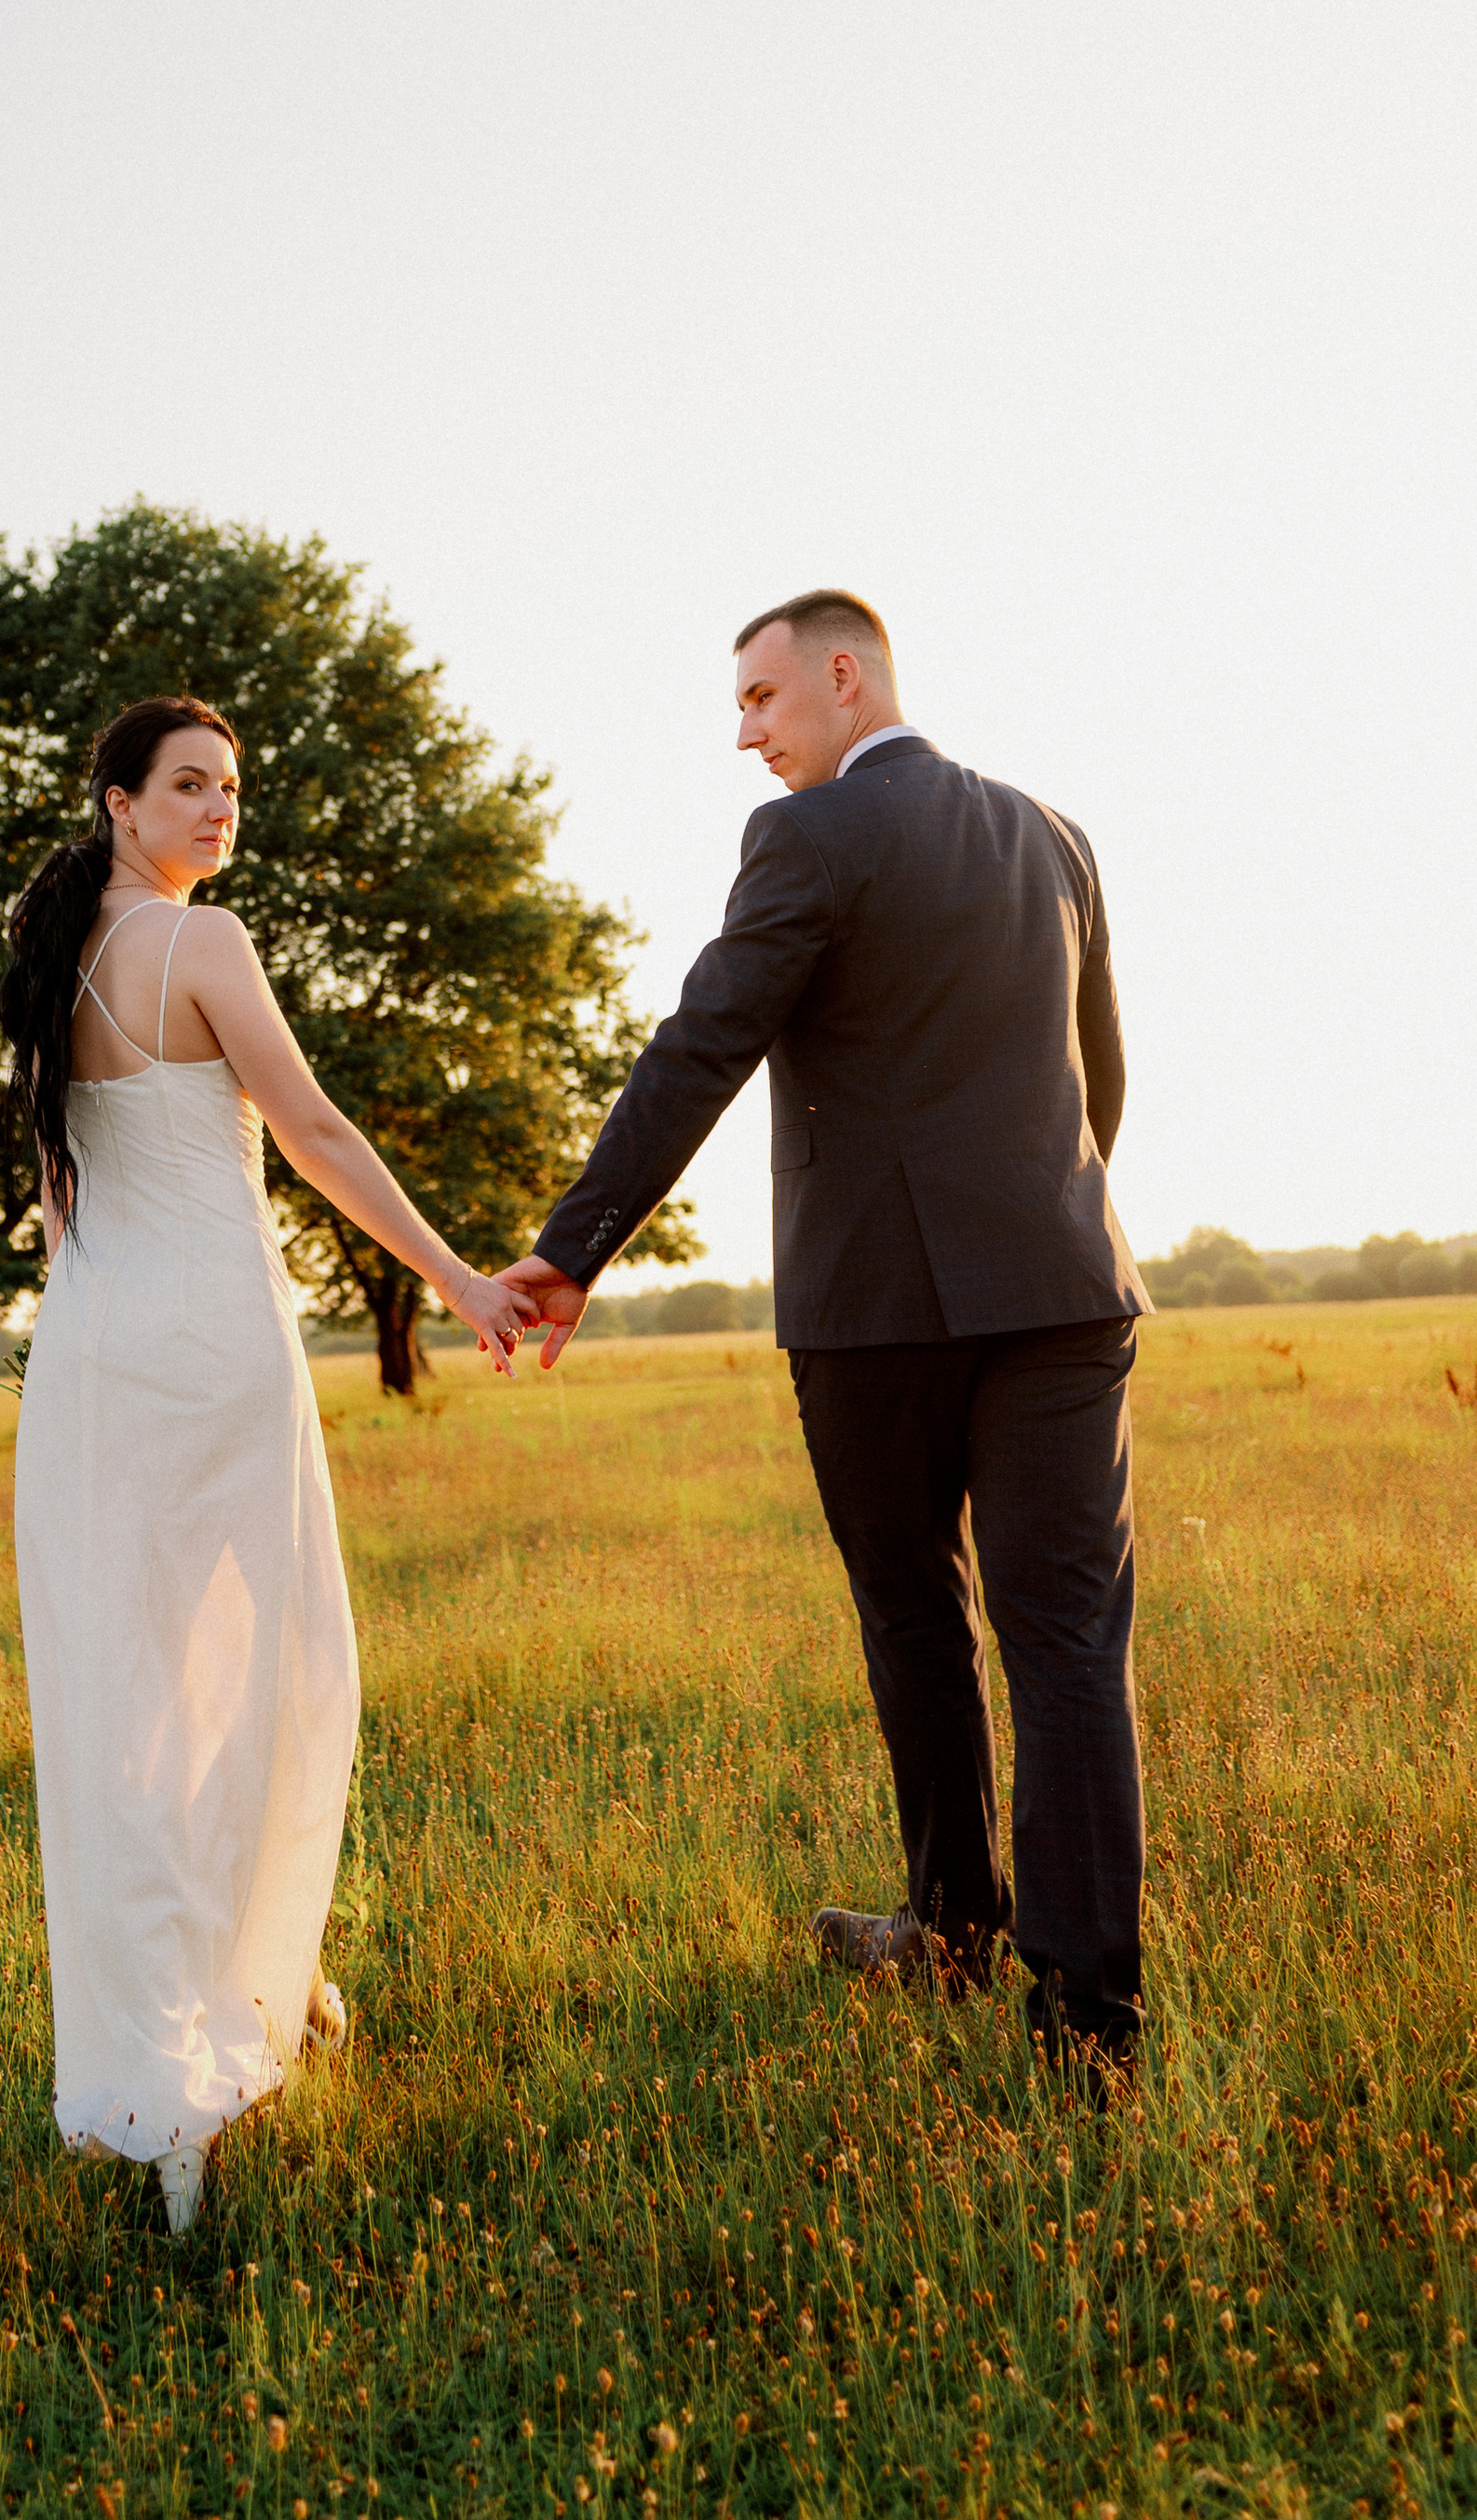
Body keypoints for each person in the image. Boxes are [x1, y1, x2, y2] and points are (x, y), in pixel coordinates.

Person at [500, 593, 1150, 2074]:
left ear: (843, 675)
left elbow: (702, 1046)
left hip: (876, 1312)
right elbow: (1098, 1076)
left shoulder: (807, 838)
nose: (747, 735)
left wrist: (573, 1245)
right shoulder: (1054, 835)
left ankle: (958, 1936)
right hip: (1066, 1290)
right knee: (1068, 1648)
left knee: (917, 1618)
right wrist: (1044, 1227)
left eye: (760, 698)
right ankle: (1088, 2029)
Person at [0, 696, 535, 2230]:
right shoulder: (203, 943)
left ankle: (250, 2002)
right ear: (119, 801)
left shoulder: (49, 967)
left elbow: (63, 1198)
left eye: (232, 788)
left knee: (133, 1706)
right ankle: (232, 2032)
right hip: (215, 1351)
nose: (219, 809)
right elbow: (315, 1132)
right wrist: (458, 1279)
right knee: (275, 1676)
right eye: (189, 785)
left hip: (91, 1360)